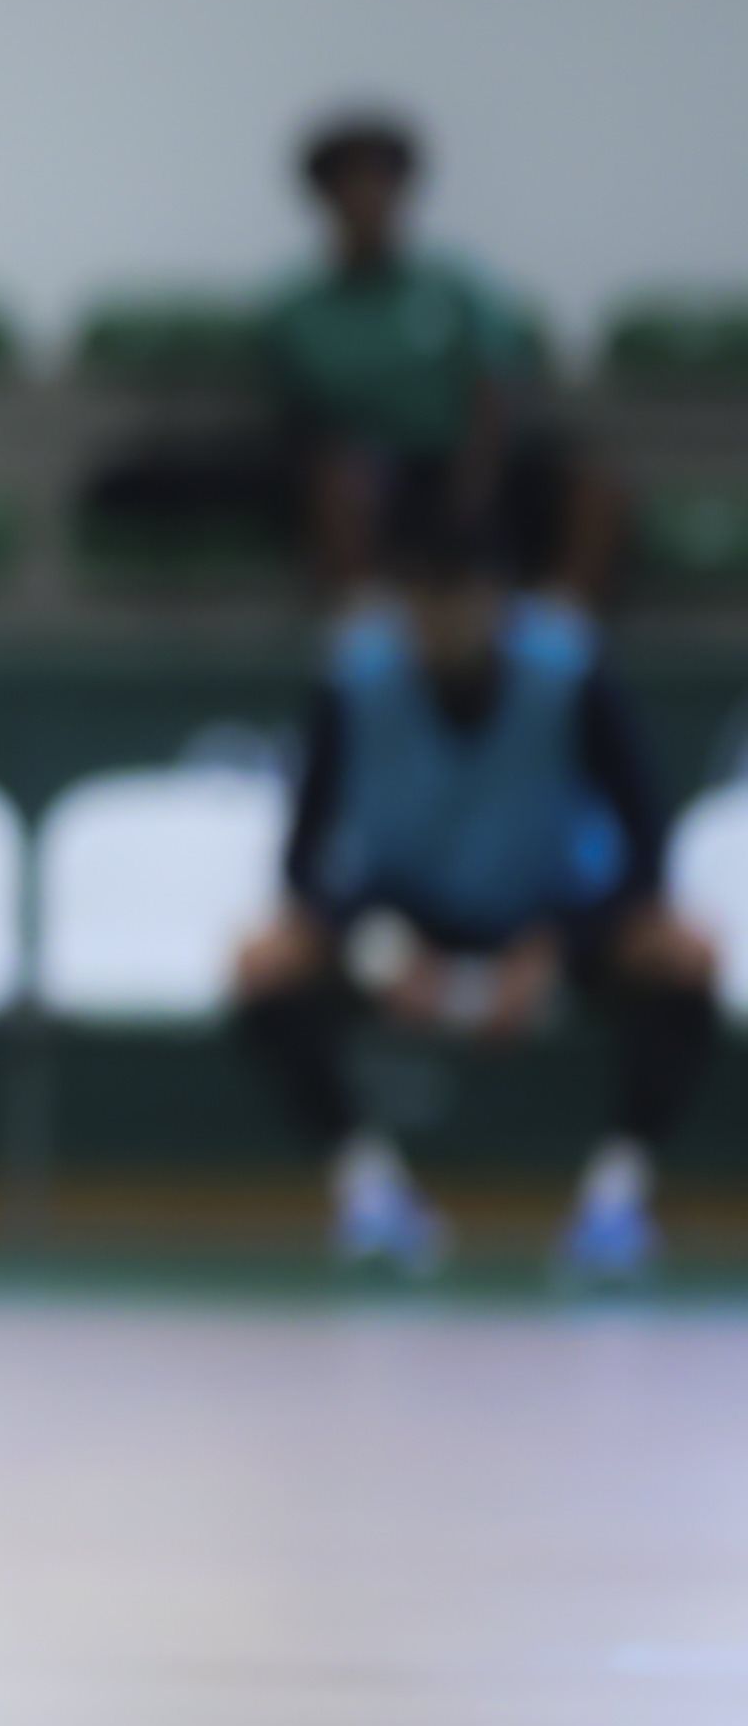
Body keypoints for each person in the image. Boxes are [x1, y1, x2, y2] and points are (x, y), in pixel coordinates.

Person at [227, 482, 713, 1285]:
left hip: (552, 916)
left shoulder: (570, 668)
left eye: (462, 594)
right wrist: (383, 953)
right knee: (264, 969)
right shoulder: (354, 675)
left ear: (499, 595)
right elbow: (304, 861)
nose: (443, 620)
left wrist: (556, 948)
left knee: (683, 961)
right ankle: (371, 1191)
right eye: (423, 597)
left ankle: (615, 1197)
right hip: (403, 920)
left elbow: (646, 838)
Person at [269, 112, 603, 602]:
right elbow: (304, 421)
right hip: (375, 476)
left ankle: (562, 628)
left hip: (471, 463)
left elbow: (494, 377)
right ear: (326, 197)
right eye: (352, 182)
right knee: (338, 477)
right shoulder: (298, 311)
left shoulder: (452, 286)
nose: (369, 197)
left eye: (383, 180)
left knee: (593, 483)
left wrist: (475, 477)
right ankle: (366, 623)